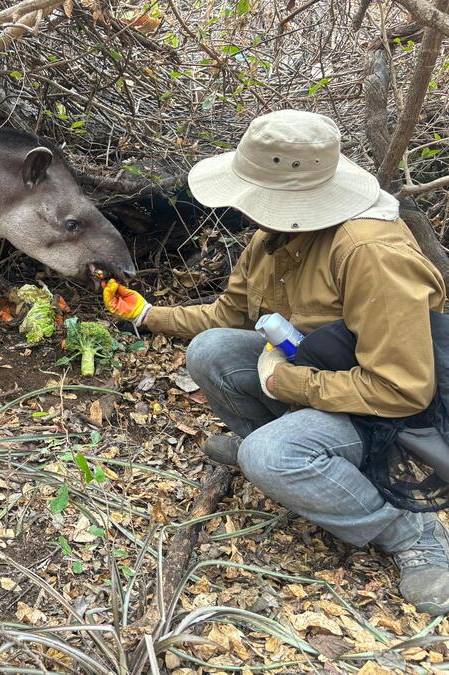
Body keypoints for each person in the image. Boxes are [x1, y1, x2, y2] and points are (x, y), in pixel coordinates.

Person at [104, 109, 449, 615]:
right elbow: (230, 316)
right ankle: (289, 454)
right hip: (319, 376)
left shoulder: (369, 252)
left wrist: (288, 383)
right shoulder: (271, 237)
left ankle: (411, 532)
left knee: (269, 456)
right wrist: (148, 314)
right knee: (211, 351)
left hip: (387, 414)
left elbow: (402, 390)